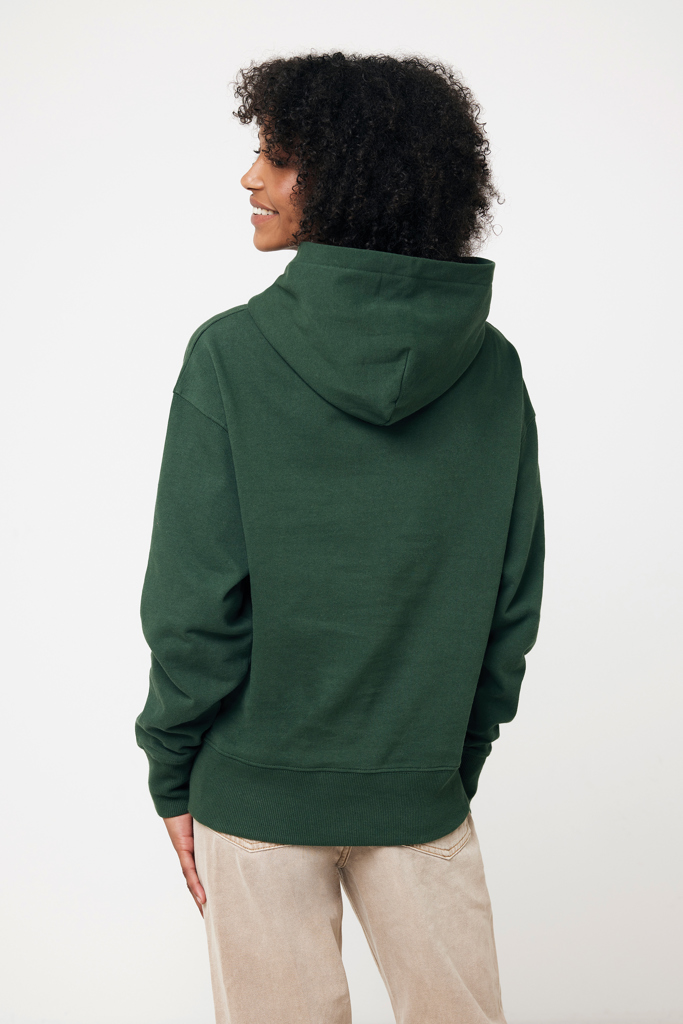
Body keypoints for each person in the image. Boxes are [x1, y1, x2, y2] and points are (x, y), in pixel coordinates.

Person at [135, 51, 544, 1024]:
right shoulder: (490, 370)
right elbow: (510, 603)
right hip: (418, 790)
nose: (250, 177)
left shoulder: (230, 356)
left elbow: (193, 608)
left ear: (350, 176)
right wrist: (442, 765)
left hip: (253, 800)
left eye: (277, 156)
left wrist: (171, 766)